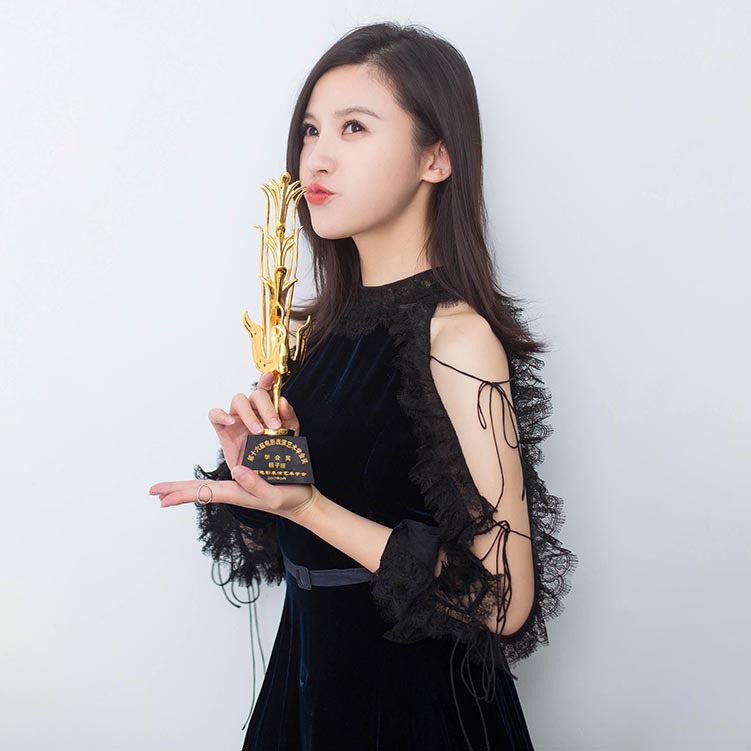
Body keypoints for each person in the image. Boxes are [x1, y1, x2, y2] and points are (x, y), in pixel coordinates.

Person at [150, 21, 577, 751]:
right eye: (310, 130)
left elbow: (502, 602)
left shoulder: (456, 338)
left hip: (415, 712)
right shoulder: (311, 331)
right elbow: (288, 548)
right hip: (306, 695)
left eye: (354, 127)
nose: (317, 156)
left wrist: (310, 506)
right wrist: (261, 479)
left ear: (436, 156)